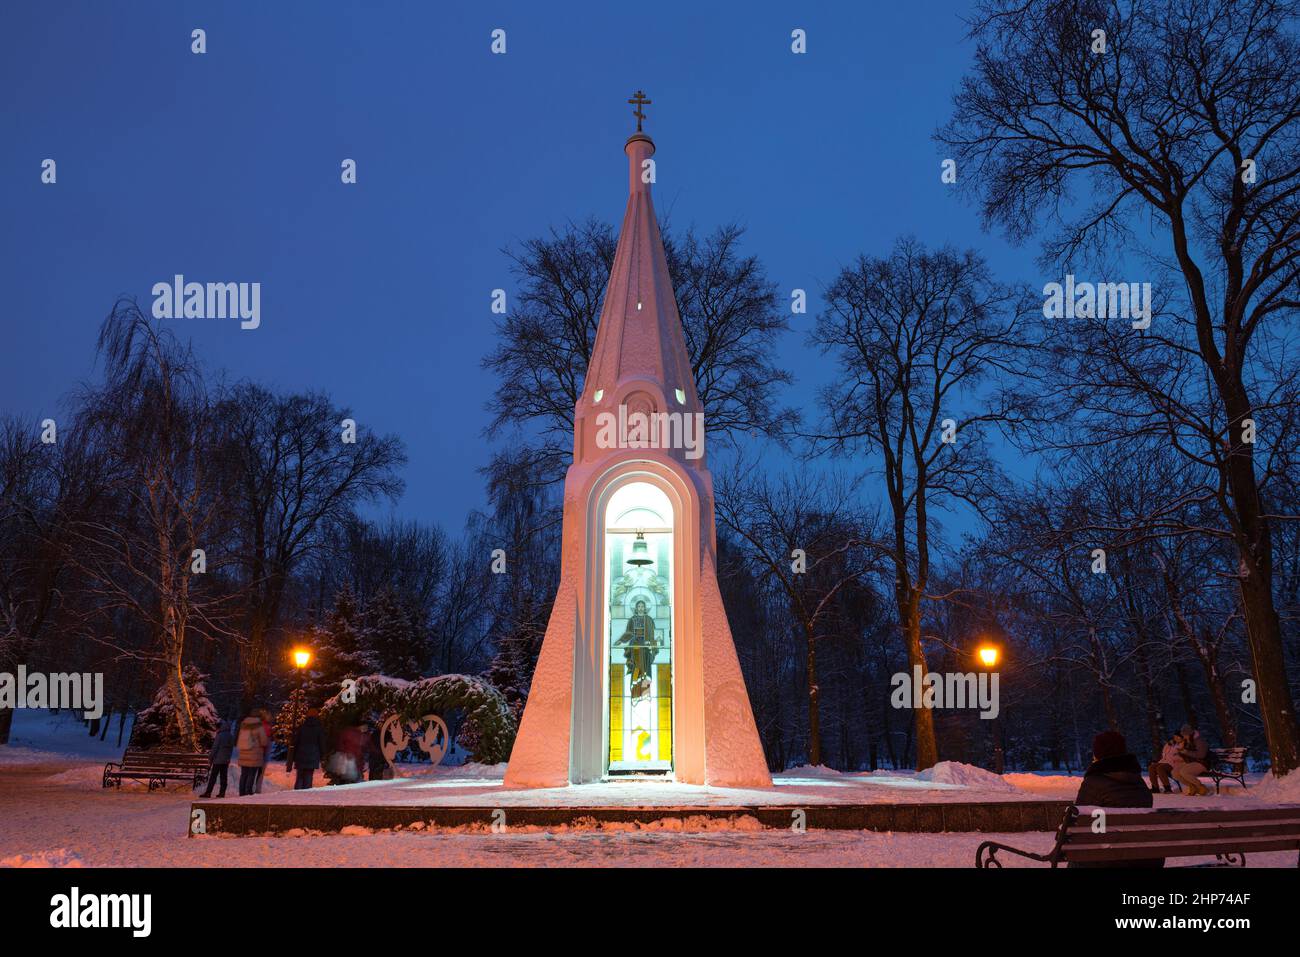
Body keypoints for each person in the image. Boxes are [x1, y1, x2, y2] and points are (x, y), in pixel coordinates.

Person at [1071, 730, 1163, 868]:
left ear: (1099, 754)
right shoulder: (1139, 782)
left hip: (1108, 860)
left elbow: (1080, 825)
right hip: (1146, 859)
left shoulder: (1094, 782)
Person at [288, 709, 327, 790]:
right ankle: (306, 793)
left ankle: (297, 793)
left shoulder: (302, 727)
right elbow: (322, 743)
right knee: (309, 776)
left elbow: (296, 742)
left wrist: (294, 756)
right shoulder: (319, 728)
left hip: (301, 755)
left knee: (299, 777)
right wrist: (323, 755)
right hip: (313, 755)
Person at [1171, 723, 1211, 795]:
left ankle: (1201, 787)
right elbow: (1188, 753)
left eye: (1184, 735)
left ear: (1189, 734)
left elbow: (1201, 755)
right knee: (1175, 773)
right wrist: (1181, 752)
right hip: (1191, 762)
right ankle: (1192, 786)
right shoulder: (1187, 741)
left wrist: (1187, 752)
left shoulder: (1199, 741)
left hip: (1202, 763)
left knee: (1184, 771)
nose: (1183, 737)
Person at [236, 712, 269, 797]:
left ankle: (241, 792)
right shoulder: (259, 726)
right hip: (255, 755)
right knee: (251, 774)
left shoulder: (243, 725)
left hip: (243, 754)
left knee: (244, 774)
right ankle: (248, 792)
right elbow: (264, 741)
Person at [201, 719, 235, 798]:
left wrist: (211, 757)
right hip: (225, 760)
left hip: (217, 760)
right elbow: (231, 748)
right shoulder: (230, 736)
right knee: (223, 777)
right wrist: (228, 758)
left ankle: (208, 792)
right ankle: (222, 792)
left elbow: (215, 748)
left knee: (213, 777)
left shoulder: (219, 736)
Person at [253, 708, 273, 794]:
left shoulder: (256, 726)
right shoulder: (267, 727)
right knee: (260, 773)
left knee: (253, 773)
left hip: (256, 754)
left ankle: (251, 787)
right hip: (263, 754)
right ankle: (257, 788)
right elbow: (267, 742)